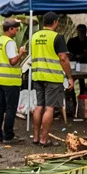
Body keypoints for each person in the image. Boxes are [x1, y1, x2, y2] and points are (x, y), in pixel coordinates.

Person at [29, 11, 74, 147]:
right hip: (52, 77)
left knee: (39, 106)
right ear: (55, 22)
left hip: (37, 76)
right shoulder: (57, 37)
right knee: (49, 108)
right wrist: (69, 77)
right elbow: (63, 58)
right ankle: (44, 139)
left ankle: (36, 137)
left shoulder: (34, 36)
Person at [0, 19, 28, 142]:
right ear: (10, 29)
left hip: (1, 78)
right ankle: (8, 135)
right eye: (16, 29)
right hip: (11, 80)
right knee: (10, 109)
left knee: (0, 108)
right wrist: (21, 53)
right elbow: (12, 61)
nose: (17, 32)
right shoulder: (10, 42)